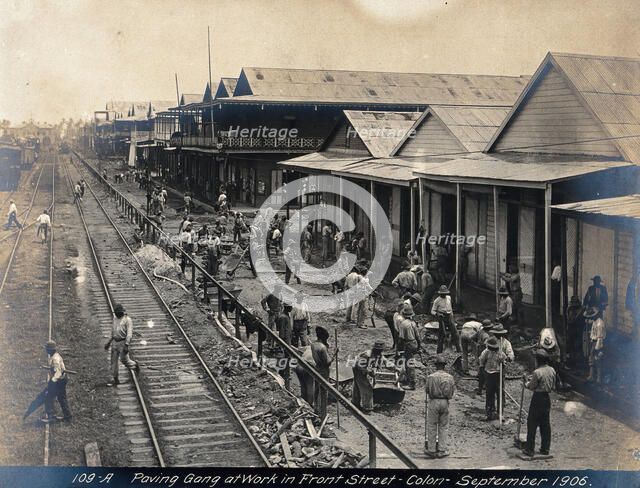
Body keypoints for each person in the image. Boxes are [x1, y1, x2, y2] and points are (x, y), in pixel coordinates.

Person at [23, 341, 72, 423]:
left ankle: (51, 416)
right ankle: (68, 416)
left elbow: (58, 372)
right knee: (61, 398)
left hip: (58, 380)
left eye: (47, 349)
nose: (46, 350)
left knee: (48, 397)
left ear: (50, 350)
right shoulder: (55, 356)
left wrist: (52, 382)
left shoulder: (55, 359)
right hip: (62, 379)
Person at [522, 349, 556, 457]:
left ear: (538, 360)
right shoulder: (552, 370)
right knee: (545, 424)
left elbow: (531, 386)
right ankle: (545, 449)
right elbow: (553, 385)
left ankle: (529, 449)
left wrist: (525, 382)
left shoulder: (537, 372)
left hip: (538, 398)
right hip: (546, 398)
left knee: (532, 423)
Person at [424, 354, 455, 458]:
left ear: (436, 366)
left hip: (434, 401)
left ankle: (431, 449)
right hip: (445, 402)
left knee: (432, 425)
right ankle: (442, 450)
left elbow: (427, 390)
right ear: (444, 366)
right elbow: (452, 392)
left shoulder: (431, 377)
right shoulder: (450, 377)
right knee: (443, 426)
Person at [105, 304, 138, 386]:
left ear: (122, 312)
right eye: (115, 313)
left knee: (124, 360)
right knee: (113, 362)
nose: (116, 314)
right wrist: (109, 342)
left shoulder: (127, 320)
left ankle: (135, 366)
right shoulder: (115, 318)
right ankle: (115, 379)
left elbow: (129, 333)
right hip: (115, 342)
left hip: (123, 342)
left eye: (118, 313)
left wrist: (126, 345)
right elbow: (113, 331)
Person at [352, 340, 386, 413]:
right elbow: (359, 365)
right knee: (367, 388)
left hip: (363, 369)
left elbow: (385, 361)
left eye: (381, 350)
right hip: (357, 369)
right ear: (375, 349)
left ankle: (355, 404)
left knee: (358, 387)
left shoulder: (378, 354)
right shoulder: (367, 355)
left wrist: (395, 367)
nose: (380, 351)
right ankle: (367, 408)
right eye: (379, 350)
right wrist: (368, 371)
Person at [311, 326, 337, 419]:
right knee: (323, 392)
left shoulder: (313, 344)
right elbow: (327, 363)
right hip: (324, 371)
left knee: (316, 391)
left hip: (316, 368)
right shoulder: (322, 348)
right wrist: (334, 354)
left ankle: (316, 410)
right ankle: (323, 414)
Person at [478, 336, 506, 420]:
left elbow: (504, 365)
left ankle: (500, 413)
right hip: (488, 374)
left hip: (498, 374)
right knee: (489, 394)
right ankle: (489, 412)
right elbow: (481, 363)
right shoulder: (486, 352)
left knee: (500, 394)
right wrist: (482, 376)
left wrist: (502, 361)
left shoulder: (501, 353)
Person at [397, 303, 421, 390]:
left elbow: (401, 339)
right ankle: (408, 379)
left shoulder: (403, 324)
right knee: (409, 362)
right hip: (414, 343)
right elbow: (418, 337)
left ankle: (412, 383)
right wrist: (419, 346)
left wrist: (399, 349)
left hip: (408, 344)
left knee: (409, 363)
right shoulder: (413, 323)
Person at [431, 285, 460, 353]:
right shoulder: (437, 301)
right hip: (442, 317)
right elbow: (432, 311)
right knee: (442, 335)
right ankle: (439, 351)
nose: (444, 295)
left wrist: (452, 316)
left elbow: (450, 308)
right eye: (443, 294)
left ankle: (459, 349)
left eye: (445, 293)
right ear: (440, 293)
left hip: (449, 316)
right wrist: (438, 314)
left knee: (455, 333)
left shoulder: (449, 298)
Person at [586, 307, 606, 383]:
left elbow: (600, 337)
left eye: (592, 316)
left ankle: (598, 378)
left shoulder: (599, 324)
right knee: (591, 359)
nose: (591, 318)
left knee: (598, 360)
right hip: (593, 342)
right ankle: (591, 376)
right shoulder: (595, 322)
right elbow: (592, 333)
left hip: (598, 344)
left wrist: (597, 348)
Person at [475, 320, 494, 395]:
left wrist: (477, 344)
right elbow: (487, 345)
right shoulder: (486, 335)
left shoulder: (480, 331)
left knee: (481, 368)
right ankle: (483, 387)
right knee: (484, 369)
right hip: (485, 352)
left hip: (479, 351)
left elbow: (472, 337)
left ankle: (480, 387)